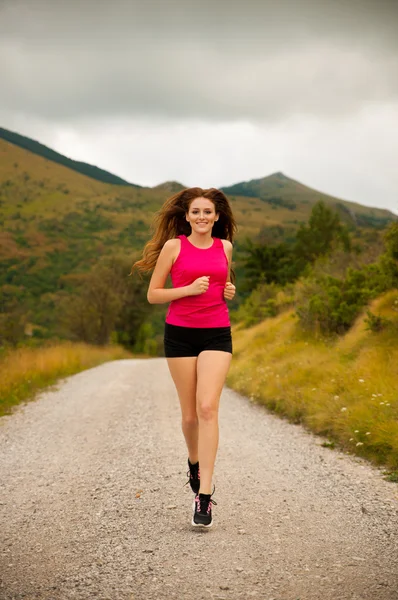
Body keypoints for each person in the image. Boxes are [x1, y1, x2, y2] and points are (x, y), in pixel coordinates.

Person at [132, 187, 237, 528]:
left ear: (217, 216)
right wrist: (188, 290)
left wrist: (228, 290)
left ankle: (204, 496)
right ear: (187, 217)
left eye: (208, 212)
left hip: (217, 332)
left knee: (208, 407)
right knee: (190, 416)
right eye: (196, 212)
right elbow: (153, 294)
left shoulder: (225, 247)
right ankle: (194, 462)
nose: (202, 217)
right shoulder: (174, 246)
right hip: (180, 334)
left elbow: (223, 281)